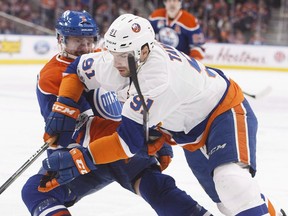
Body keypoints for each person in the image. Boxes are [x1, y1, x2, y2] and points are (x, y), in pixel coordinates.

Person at [40, 14, 286, 215]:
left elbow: (127, 143)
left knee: (231, 183)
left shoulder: (157, 78)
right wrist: (65, 105)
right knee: (228, 203)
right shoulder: (121, 58)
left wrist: (79, 159)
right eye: (112, 53)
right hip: (188, 133)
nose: (115, 63)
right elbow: (76, 70)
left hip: (223, 112)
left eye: (122, 56)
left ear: (145, 50)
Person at [21, 10, 212, 216]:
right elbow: (76, 129)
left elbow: (143, 99)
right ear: (61, 40)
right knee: (37, 191)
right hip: (86, 154)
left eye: (89, 40)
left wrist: (153, 130)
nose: (85, 47)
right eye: (77, 41)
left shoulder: (109, 59)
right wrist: (138, 136)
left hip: (118, 146)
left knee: (157, 187)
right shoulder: (52, 76)